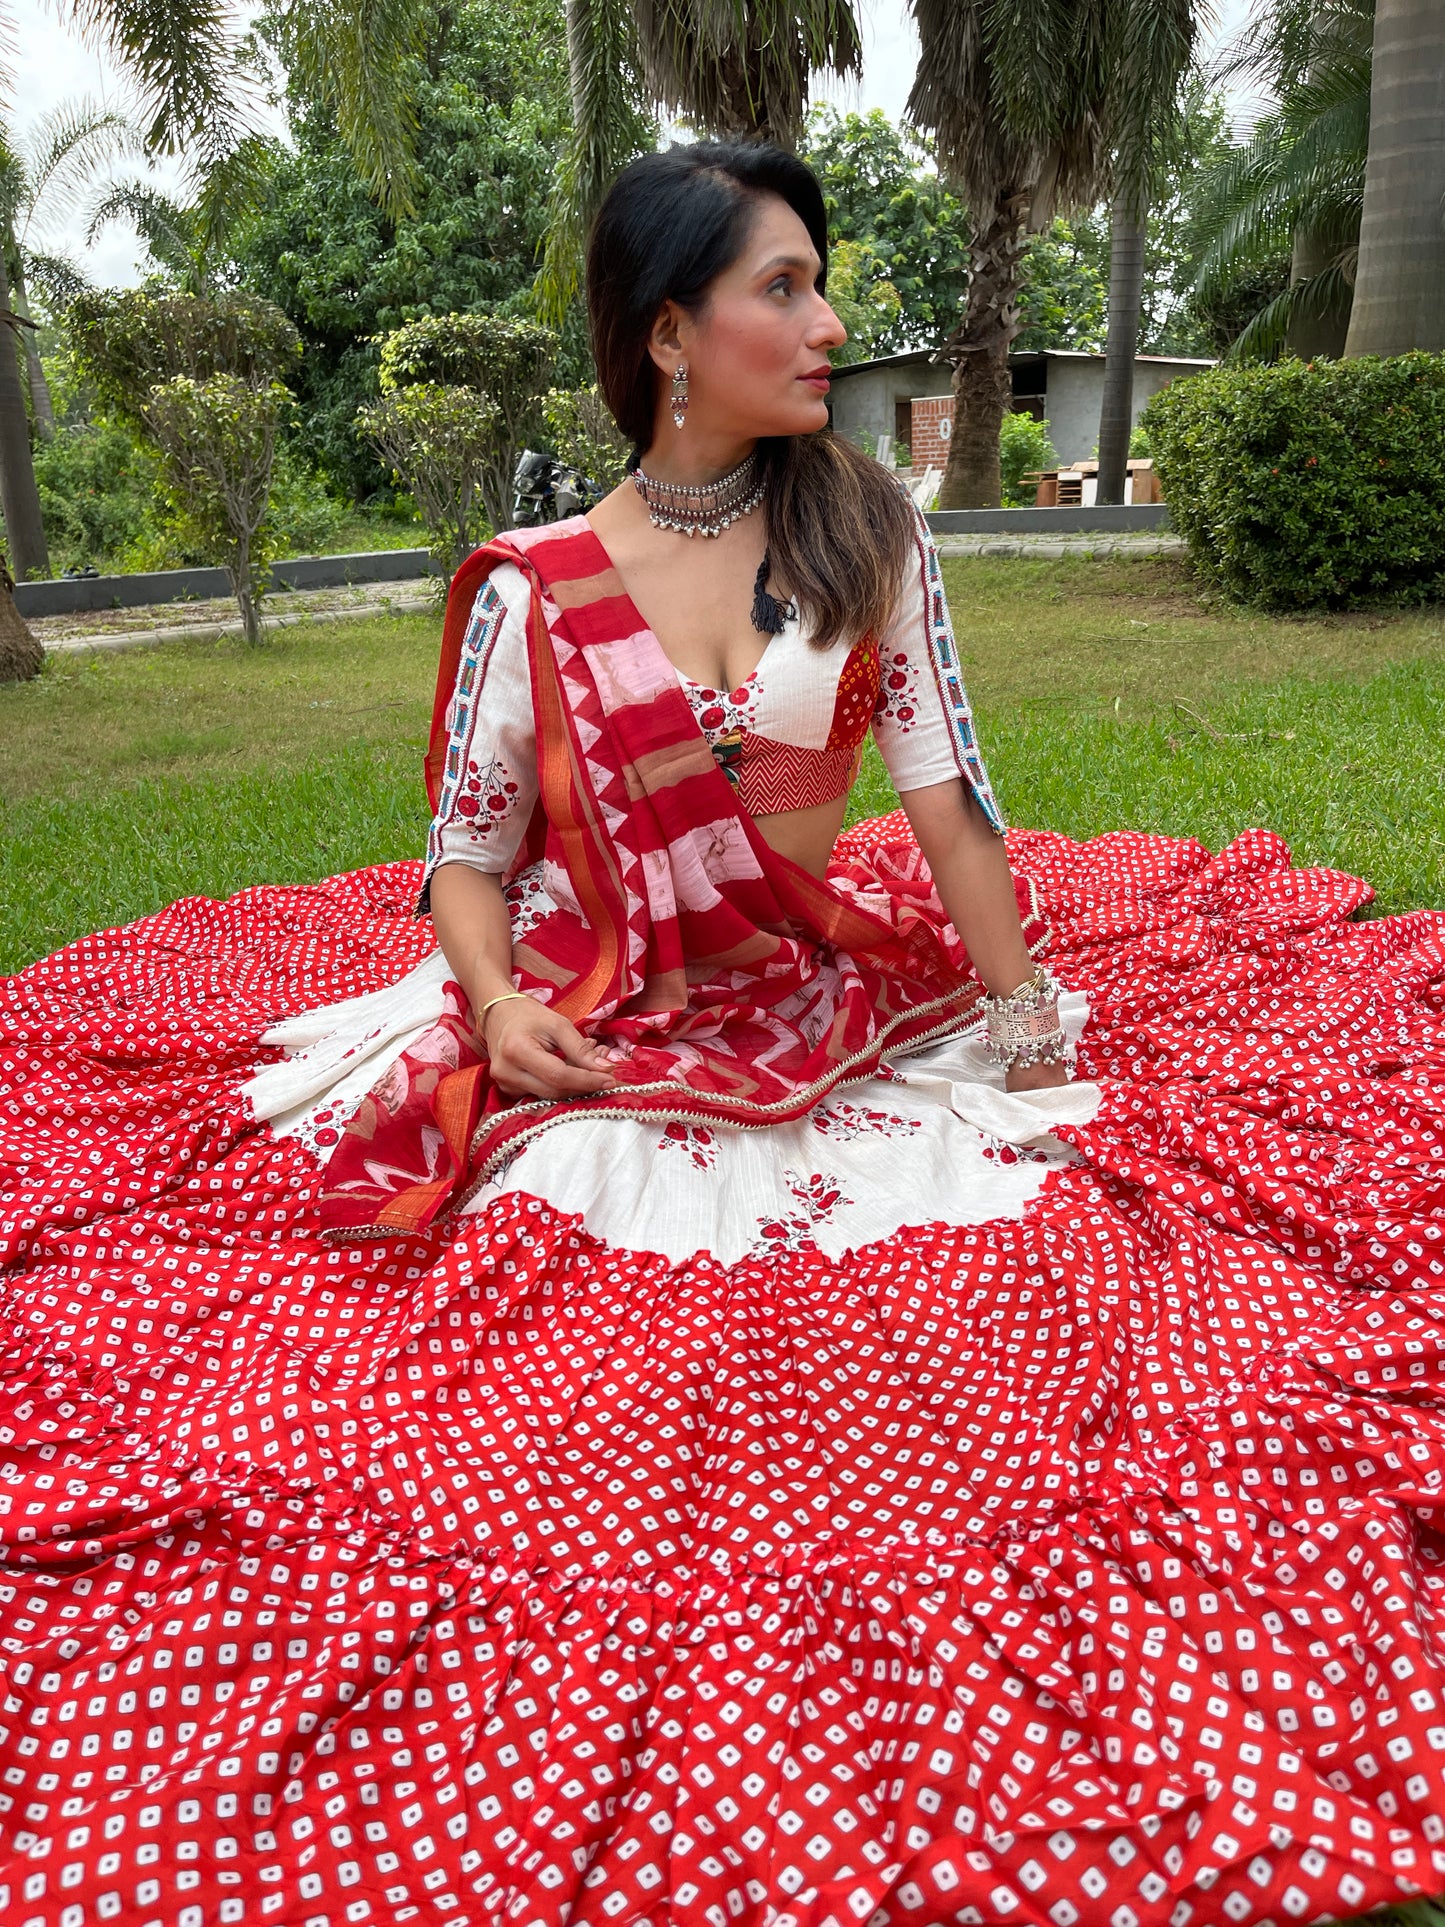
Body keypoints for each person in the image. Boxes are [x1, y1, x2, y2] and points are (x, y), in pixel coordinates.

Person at [1, 141, 1443, 1927]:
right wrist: (501, 1004)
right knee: (439, 1383)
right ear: (669, 335)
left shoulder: (861, 531)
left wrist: (1024, 1024)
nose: (829, 322)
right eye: (785, 288)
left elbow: (946, 800)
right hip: (600, 1016)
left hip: (811, 997)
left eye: (819, 283)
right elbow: (466, 859)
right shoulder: (532, 584)